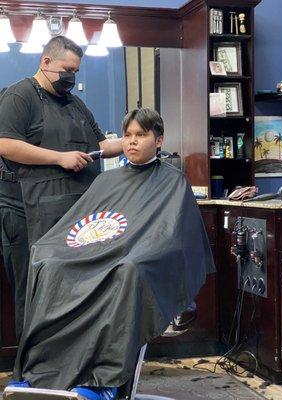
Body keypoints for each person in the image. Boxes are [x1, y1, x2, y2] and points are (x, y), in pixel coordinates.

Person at [10, 107, 215, 400]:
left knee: (128, 269)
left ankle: (104, 382)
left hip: (133, 262)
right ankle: (38, 374)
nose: (132, 141)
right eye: (127, 135)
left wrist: (130, 252)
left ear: (158, 140)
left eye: (141, 135)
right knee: (48, 262)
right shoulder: (107, 181)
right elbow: (83, 226)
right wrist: (50, 248)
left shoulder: (173, 181)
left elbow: (169, 239)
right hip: (99, 255)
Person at [0, 36, 123, 339]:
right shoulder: (20, 96)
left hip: (71, 214)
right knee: (35, 289)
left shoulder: (75, 103)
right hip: (27, 213)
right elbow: (5, 144)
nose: (71, 77)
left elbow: (102, 145)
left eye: (76, 72)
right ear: (45, 62)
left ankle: (69, 364)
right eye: (67, 70)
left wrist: (132, 143)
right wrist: (60, 158)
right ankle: (33, 371)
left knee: (70, 291)